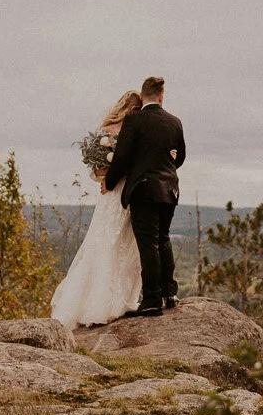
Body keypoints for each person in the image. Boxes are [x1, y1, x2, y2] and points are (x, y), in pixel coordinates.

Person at [50, 89, 145, 328]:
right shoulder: (131, 130)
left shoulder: (106, 130)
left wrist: (103, 176)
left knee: (106, 242)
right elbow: (128, 163)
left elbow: (95, 168)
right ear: (134, 109)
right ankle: (116, 301)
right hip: (121, 191)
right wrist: (109, 176)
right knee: (122, 242)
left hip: (109, 193)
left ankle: (102, 300)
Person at [101, 75, 186, 316]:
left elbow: (122, 156)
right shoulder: (175, 122)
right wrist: (164, 165)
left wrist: (109, 181)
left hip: (144, 188)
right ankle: (170, 293)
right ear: (161, 96)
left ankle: (151, 300)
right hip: (170, 188)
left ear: (141, 96)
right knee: (163, 238)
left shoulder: (134, 120)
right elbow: (179, 158)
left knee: (148, 243)